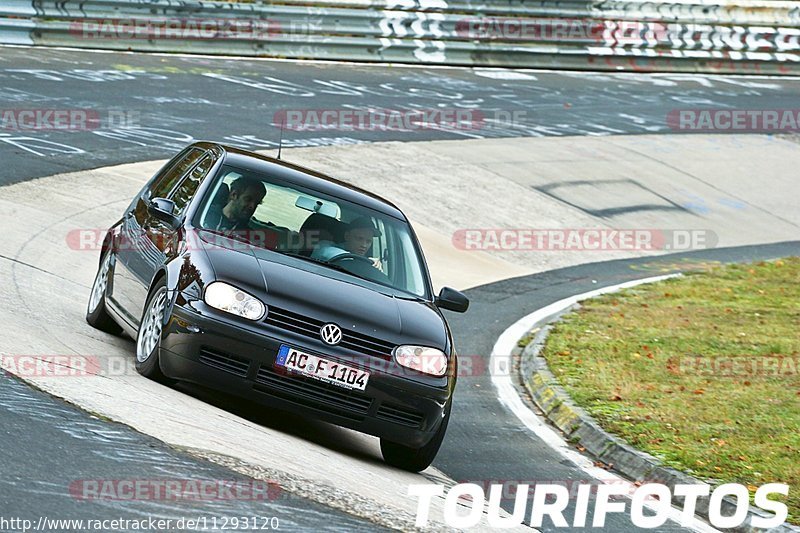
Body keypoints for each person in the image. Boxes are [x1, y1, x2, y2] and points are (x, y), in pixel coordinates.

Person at [312, 216, 383, 269]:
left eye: (368, 241)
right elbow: (324, 251)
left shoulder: (368, 262)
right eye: (359, 238)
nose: (364, 245)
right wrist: (363, 263)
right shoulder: (326, 246)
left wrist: (375, 265)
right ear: (347, 236)